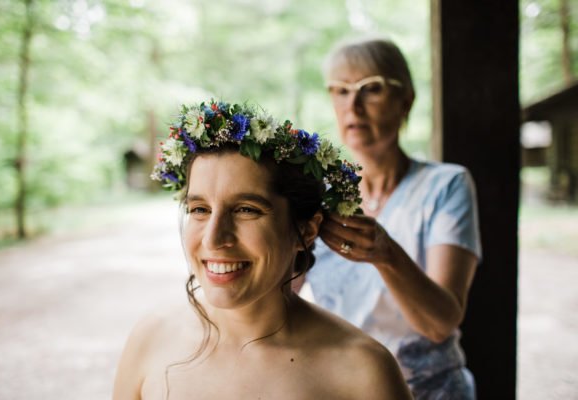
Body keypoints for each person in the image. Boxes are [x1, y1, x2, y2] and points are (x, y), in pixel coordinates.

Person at [112, 99, 412, 399]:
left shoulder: (363, 371)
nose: (214, 239)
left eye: (245, 209)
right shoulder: (150, 339)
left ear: (306, 230)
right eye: (200, 209)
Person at [305, 37, 482, 399]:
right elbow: (279, 296)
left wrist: (386, 253)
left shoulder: (445, 185)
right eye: (339, 91)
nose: (352, 105)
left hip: (430, 390)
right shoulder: (316, 194)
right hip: (343, 389)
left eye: (371, 89)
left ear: (406, 101)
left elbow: (440, 323)